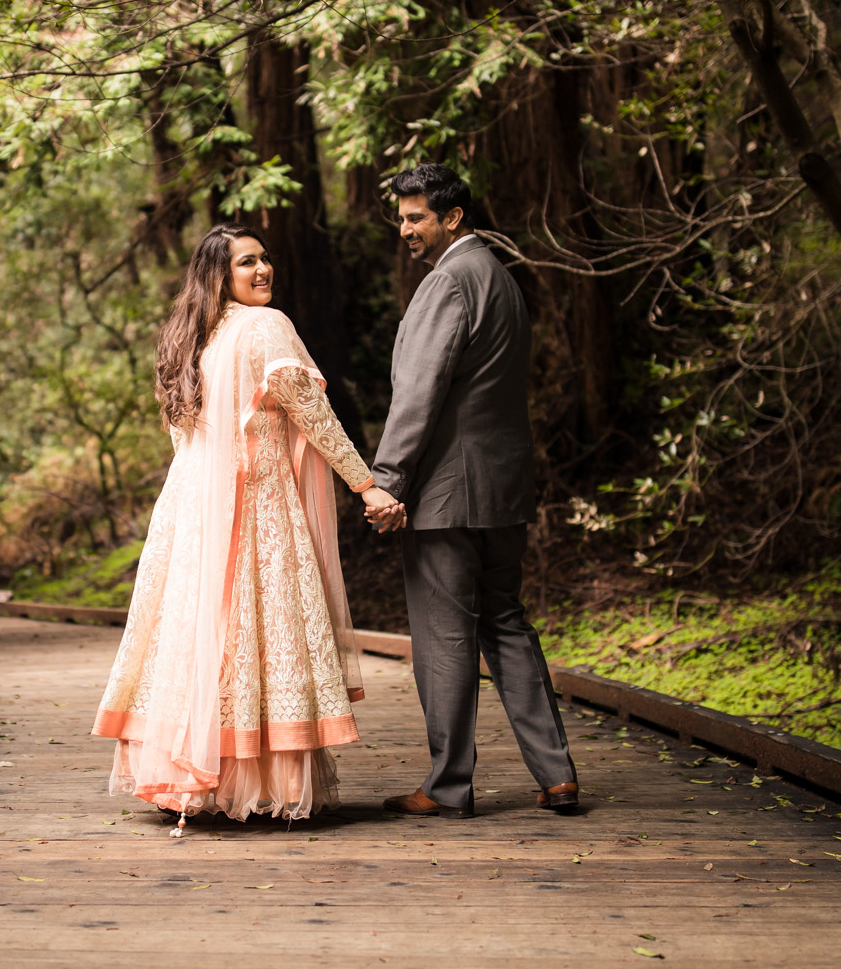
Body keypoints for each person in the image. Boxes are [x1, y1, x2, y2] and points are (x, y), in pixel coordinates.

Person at [93, 224, 402, 834]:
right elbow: (312, 413)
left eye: (264, 258)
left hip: (191, 509)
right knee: (254, 629)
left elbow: (184, 434)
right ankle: (257, 783)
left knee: (201, 630)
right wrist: (367, 484)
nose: (263, 270)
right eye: (246, 263)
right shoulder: (268, 326)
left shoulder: (190, 335)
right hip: (257, 503)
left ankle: (195, 777)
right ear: (219, 275)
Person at [366, 164, 578, 818]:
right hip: (503, 485)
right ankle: (557, 773)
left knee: (446, 636)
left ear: (451, 217)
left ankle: (448, 785)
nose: (404, 229)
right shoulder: (501, 278)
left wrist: (388, 478)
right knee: (507, 624)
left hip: (447, 492)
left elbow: (420, 390)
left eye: (415, 217)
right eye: (401, 217)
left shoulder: (449, 281)